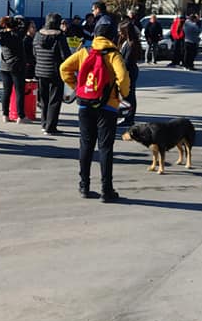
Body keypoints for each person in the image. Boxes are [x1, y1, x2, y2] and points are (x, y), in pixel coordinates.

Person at [60, 22, 130, 203]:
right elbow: (122, 77)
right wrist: (122, 94)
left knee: (86, 145)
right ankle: (106, 190)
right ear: (112, 36)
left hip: (85, 105)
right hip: (107, 106)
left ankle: (84, 186)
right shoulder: (113, 54)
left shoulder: (85, 51)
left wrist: (77, 87)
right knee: (105, 148)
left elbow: (64, 68)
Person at [33, 12, 72, 135]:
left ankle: (44, 124)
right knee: (54, 100)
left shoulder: (38, 35)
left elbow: (34, 52)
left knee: (43, 99)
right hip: (55, 72)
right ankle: (51, 126)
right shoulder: (59, 37)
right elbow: (65, 56)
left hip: (40, 70)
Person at [0, 15, 28, 123]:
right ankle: (21, 116)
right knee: (19, 92)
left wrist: (3, 19)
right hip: (17, 66)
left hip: (4, 66)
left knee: (6, 91)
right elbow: (26, 24)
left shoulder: (1, 35)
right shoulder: (17, 35)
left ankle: (5, 114)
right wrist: (19, 19)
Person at [117, 19, 141, 126]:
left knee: (129, 95)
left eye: (120, 30)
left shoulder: (132, 44)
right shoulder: (125, 41)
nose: (119, 32)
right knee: (127, 95)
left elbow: (127, 61)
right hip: (127, 70)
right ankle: (127, 117)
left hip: (129, 71)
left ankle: (129, 118)